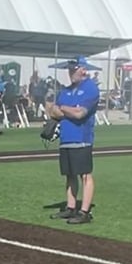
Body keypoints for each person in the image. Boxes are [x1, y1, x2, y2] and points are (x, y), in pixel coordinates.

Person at [45, 57, 100, 224]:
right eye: (69, 70)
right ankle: (70, 207)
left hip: (82, 138)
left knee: (85, 174)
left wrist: (62, 108)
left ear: (83, 69)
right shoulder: (66, 91)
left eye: (74, 69)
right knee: (69, 175)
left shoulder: (90, 88)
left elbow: (80, 113)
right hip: (66, 138)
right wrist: (67, 110)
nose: (70, 73)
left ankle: (84, 211)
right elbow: (52, 112)